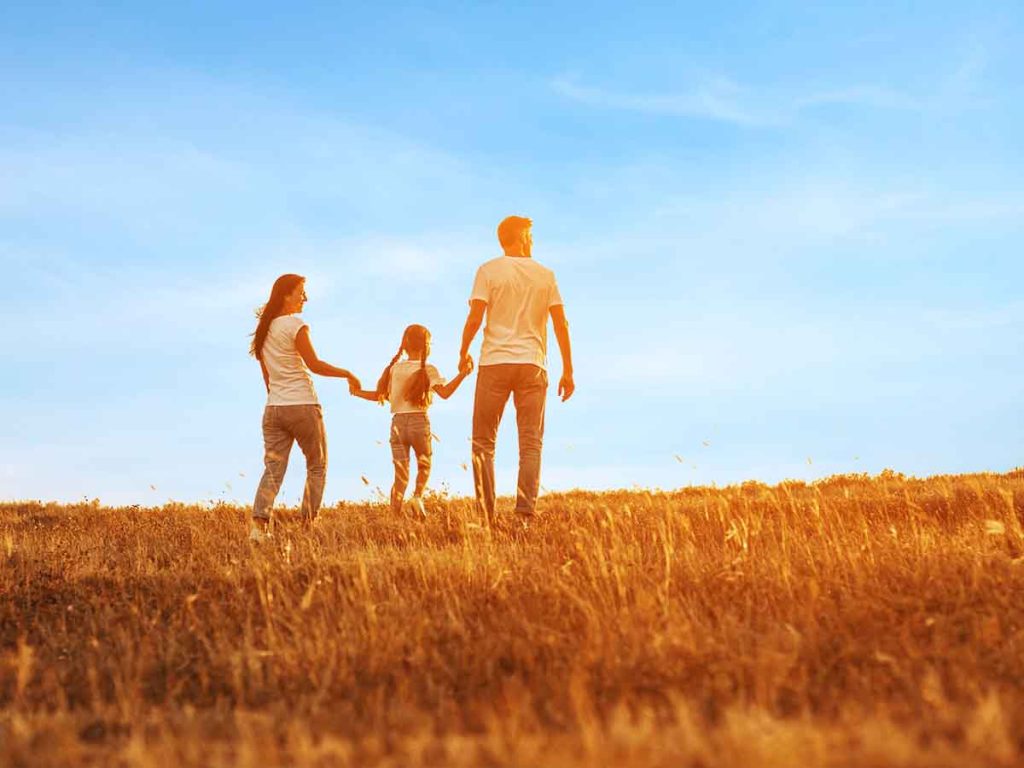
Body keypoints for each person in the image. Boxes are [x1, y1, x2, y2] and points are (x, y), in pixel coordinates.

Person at [458, 216, 574, 528]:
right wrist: (568, 369)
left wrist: (463, 350)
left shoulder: (488, 270)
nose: (533, 241)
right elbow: (560, 323)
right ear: (521, 236)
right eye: (531, 235)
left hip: (494, 363)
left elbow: (475, 317)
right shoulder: (546, 275)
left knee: (483, 443)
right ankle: (524, 515)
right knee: (531, 443)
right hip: (533, 365)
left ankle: (486, 516)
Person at [248, 273, 360, 540]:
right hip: (303, 405)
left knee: (273, 468)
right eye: (301, 292)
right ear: (286, 295)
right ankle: (308, 524)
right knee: (317, 465)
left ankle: (259, 527)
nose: (305, 298)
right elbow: (314, 364)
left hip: (274, 408)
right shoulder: (295, 324)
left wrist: (279, 399)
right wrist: (347, 373)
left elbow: (268, 379)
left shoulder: (263, 333)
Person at [350, 324, 473, 517]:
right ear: (426, 346)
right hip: (418, 423)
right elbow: (446, 393)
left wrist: (357, 392)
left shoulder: (395, 369)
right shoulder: (429, 369)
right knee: (424, 465)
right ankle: (417, 496)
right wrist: (464, 374)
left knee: (400, 476)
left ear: (405, 345)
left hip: (397, 425)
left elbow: (380, 396)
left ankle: (394, 516)